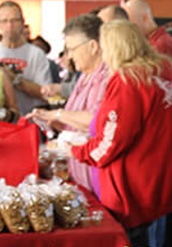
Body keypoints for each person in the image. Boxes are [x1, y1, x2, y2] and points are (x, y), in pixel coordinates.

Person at [69, 21, 172, 247]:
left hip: (139, 191)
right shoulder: (160, 72)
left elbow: (112, 141)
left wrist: (76, 151)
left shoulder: (128, 81)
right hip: (165, 181)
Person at [29, 13, 111, 197]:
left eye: (72, 49)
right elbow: (73, 120)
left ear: (93, 46)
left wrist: (57, 115)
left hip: (98, 177)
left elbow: (94, 122)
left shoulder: (106, 76)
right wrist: (51, 121)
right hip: (80, 175)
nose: (70, 56)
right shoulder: (84, 75)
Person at [0, 0, 59, 114]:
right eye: (5, 21)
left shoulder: (36, 54)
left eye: (14, 20)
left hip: (30, 119)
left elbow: (46, 93)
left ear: (22, 22)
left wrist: (16, 80)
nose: (10, 25)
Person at [124, 0, 172, 73]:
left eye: (131, 23)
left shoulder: (162, 44)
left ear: (145, 18)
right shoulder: (152, 41)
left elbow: (164, 79)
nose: (129, 28)